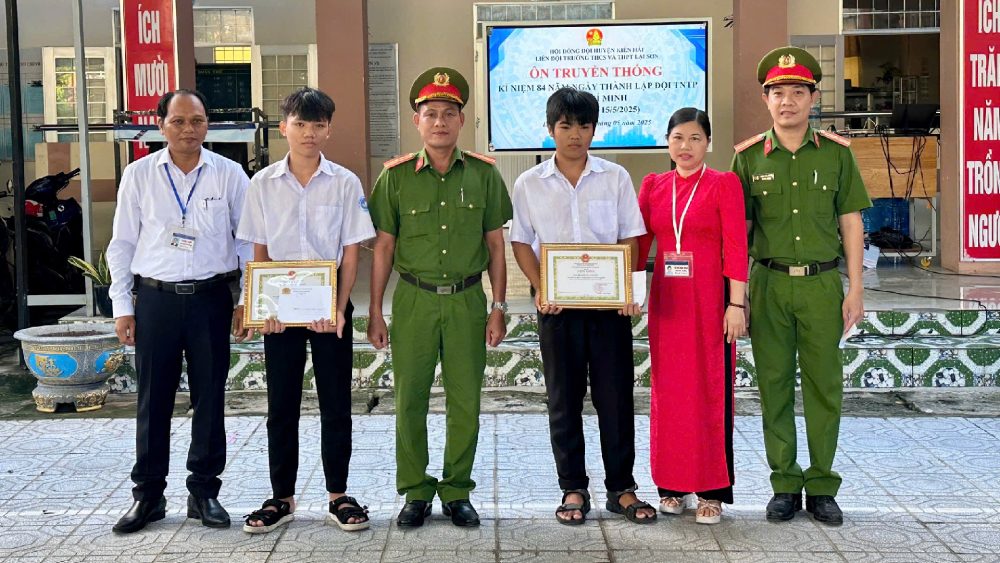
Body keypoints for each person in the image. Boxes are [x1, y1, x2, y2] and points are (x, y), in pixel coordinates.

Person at [731, 46, 870, 526]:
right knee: (773, 386)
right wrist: (738, 296)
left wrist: (855, 289)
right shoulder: (747, 160)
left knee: (824, 386)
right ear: (765, 99)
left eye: (796, 92)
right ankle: (785, 483)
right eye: (777, 93)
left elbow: (851, 222)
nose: (786, 101)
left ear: (813, 97)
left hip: (821, 284)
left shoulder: (835, 155)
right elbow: (738, 235)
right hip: (767, 283)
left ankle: (823, 484)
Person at [367, 67, 511, 528]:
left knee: (464, 398)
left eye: (449, 113)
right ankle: (414, 490)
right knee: (409, 396)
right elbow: (384, 247)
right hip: (414, 300)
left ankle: (456, 490)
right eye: (431, 113)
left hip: (468, 300)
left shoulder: (485, 175)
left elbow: (495, 245)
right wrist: (375, 310)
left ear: (462, 120)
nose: (440, 122)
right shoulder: (395, 177)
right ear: (417, 121)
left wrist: (499, 305)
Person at [510, 87, 656, 526]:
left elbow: (631, 235)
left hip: (608, 309)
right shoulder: (528, 183)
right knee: (563, 399)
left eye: (584, 126)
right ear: (550, 129)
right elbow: (520, 240)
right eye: (565, 126)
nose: (575, 135)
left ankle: (621, 488)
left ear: (595, 129)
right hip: (556, 309)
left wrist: (629, 290)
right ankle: (573, 486)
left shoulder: (615, 177)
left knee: (616, 398)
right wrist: (540, 288)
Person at [232, 87, 375, 533]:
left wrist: (337, 309)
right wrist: (260, 305)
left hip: (329, 303)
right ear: (284, 128)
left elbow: (351, 254)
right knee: (282, 404)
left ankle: (338, 494)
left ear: (329, 129)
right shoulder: (262, 184)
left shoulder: (346, 182)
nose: (309, 133)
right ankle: (282, 496)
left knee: (336, 402)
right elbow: (258, 250)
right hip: (279, 306)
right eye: (300, 124)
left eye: (318, 125)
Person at [107, 89, 251, 534]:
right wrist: (122, 304)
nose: (189, 130)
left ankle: (204, 492)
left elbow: (247, 242)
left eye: (198, 121)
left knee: (210, 397)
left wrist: (246, 299)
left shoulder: (229, 174)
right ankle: (148, 496)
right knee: (154, 399)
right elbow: (123, 243)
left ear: (208, 124)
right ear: (160, 124)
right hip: (156, 301)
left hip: (211, 299)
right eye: (179, 122)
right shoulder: (139, 175)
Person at [637, 107, 748, 525]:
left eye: (695, 138)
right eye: (679, 138)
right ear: (667, 142)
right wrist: (625, 290)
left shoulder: (724, 184)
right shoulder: (653, 186)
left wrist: (736, 304)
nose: (686, 147)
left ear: (708, 143)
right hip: (668, 304)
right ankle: (672, 485)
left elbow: (736, 246)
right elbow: (637, 244)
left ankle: (711, 490)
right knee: (670, 395)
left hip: (710, 302)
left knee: (709, 392)